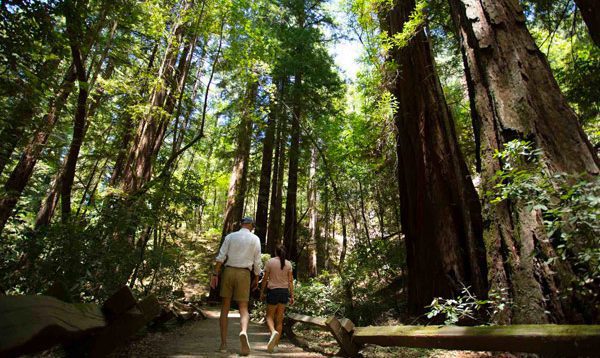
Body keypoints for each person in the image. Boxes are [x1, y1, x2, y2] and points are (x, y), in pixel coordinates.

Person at [210, 217, 262, 356]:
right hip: (244, 273)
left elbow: (221, 257)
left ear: (241, 224)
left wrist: (215, 273)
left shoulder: (230, 236)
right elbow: (257, 261)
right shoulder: (255, 239)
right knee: (243, 307)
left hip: (228, 271)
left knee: (225, 307)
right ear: (251, 226)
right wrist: (256, 277)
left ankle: (223, 345)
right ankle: (243, 332)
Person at [260, 244, 294, 353]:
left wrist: (262, 292)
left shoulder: (270, 262)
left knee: (269, 316)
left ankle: (273, 332)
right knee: (279, 319)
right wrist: (292, 295)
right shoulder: (288, 264)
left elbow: (265, 279)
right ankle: (275, 345)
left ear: (275, 252)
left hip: (273, 292)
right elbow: (290, 281)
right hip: (284, 292)